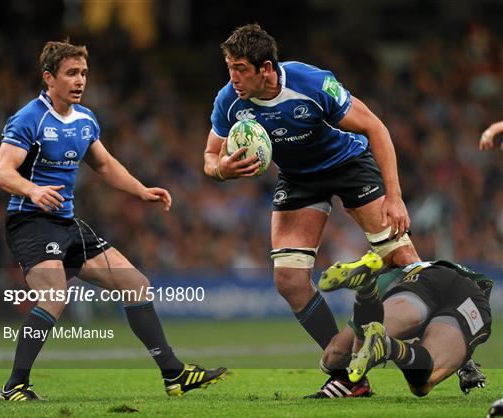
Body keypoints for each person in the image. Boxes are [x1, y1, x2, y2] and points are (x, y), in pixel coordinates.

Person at [0, 40, 226, 401]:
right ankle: (15, 386)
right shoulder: (29, 119)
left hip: (68, 224)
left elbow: (104, 164)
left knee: (137, 284)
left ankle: (174, 375)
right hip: (31, 221)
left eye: (84, 73)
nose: (80, 80)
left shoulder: (85, 120)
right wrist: (33, 191)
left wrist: (140, 190)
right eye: (71, 73)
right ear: (49, 78)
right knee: (54, 295)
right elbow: (2, 172)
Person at [203, 23, 419, 392]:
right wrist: (221, 169)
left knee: (404, 258)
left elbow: (375, 127)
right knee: (288, 279)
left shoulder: (311, 83)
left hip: (348, 164)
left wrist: (395, 197)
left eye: (240, 69)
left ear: (266, 68)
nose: (233, 78)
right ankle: (348, 376)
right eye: (230, 68)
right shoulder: (229, 100)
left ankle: (462, 357)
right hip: (298, 178)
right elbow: (209, 156)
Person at [314, 251, 492, 398]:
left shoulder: (390, 278)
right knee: (422, 379)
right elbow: (460, 337)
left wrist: (328, 367)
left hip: (421, 281)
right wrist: (463, 363)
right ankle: (389, 346)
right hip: (469, 292)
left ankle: (366, 291)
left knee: (365, 340)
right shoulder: (403, 267)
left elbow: (335, 351)